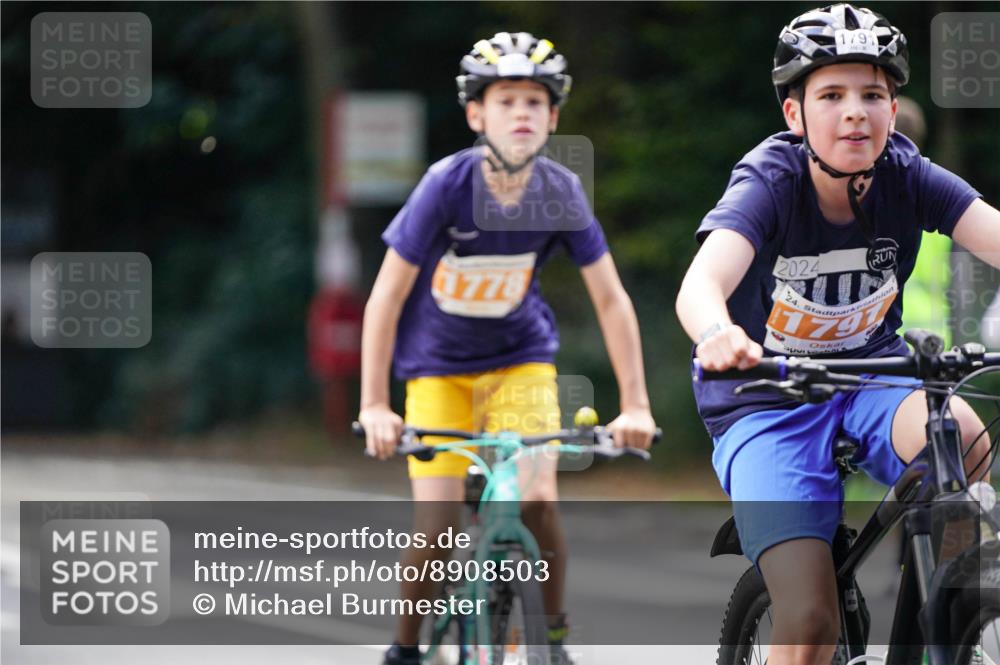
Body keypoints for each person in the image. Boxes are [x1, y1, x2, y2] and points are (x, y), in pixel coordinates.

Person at [674, 5, 1000, 664]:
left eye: (873, 94)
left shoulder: (906, 173)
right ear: (794, 116)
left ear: (892, 105)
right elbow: (700, 283)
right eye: (832, 94)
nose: (855, 111)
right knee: (810, 623)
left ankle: (943, 608)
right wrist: (717, 334)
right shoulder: (771, 179)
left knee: (964, 437)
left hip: (873, 376)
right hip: (765, 401)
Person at [358, 31, 657, 665]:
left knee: (539, 498)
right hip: (438, 373)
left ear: (553, 118)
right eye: (505, 100)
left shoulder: (561, 192)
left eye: (534, 102)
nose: (521, 113)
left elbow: (610, 299)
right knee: (437, 532)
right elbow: (384, 298)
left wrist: (635, 405)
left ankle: (551, 635)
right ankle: (405, 650)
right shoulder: (446, 185)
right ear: (476, 114)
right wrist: (376, 407)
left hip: (520, 364)